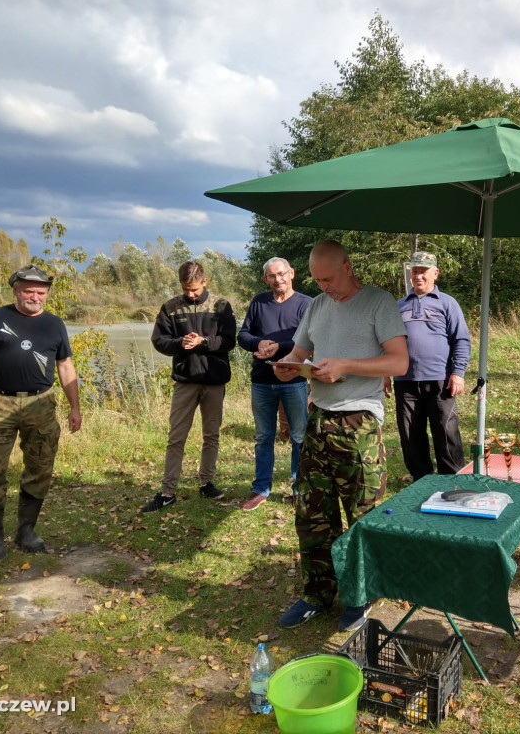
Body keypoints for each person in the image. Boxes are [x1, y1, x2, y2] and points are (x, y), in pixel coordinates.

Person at [272, 240, 408, 632]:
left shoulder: (378, 302)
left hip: (359, 422)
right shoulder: (316, 305)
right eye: (317, 280)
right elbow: (299, 354)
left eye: (328, 278)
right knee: (312, 512)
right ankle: (317, 593)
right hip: (318, 419)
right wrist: (288, 367)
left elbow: (400, 361)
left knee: (362, 513)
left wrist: (347, 364)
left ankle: (360, 595)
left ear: (347, 267)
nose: (323, 286)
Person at [0, 264, 82, 562]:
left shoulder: (55, 325)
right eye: (29, 290)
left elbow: (65, 366)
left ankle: (26, 532)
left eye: (40, 292)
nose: (35, 296)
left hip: (40, 404)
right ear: (15, 290)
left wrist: (75, 407)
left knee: (40, 466)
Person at [141, 261, 236, 512]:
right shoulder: (171, 307)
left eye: (193, 289)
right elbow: (159, 340)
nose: (190, 294)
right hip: (185, 381)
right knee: (176, 437)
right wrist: (179, 343)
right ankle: (167, 491)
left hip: (214, 380)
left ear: (204, 282)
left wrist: (203, 341)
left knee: (211, 435)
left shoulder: (221, 306)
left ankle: (206, 483)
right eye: (186, 290)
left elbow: (229, 341)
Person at [237, 257, 313, 511]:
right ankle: (260, 489)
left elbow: (310, 339)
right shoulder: (259, 302)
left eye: (281, 274)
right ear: (265, 279)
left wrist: (279, 347)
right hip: (262, 380)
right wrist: (258, 343)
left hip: (295, 379)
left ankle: (298, 487)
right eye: (272, 276)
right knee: (263, 437)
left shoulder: (306, 304)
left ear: (292, 273)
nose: (277, 279)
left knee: (299, 436)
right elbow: (243, 335)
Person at [391, 251, 470, 480]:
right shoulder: (398, 305)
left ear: (435, 273)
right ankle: (421, 481)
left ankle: (452, 481)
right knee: (410, 435)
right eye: (414, 272)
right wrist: (386, 373)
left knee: (446, 433)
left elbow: (461, 339)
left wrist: (458, 372)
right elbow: (389, 343)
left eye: (423, 272)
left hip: (440, 380)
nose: (418, 277)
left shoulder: (447, 303)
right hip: (405, 381)